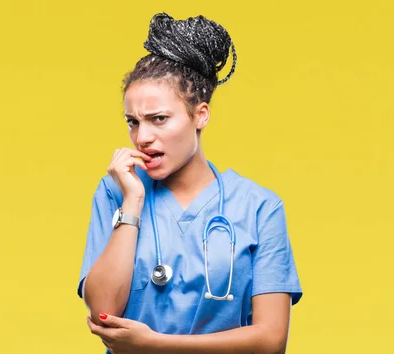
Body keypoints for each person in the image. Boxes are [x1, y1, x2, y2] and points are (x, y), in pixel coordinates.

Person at [76, 12, 303, 354]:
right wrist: (133, 203)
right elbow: (103, 312)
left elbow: (271, 340)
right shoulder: (116, 192)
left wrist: (155, 345)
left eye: (159, 119)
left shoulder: (259, 207)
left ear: (201, 115)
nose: (143, 137)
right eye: (133, 122)